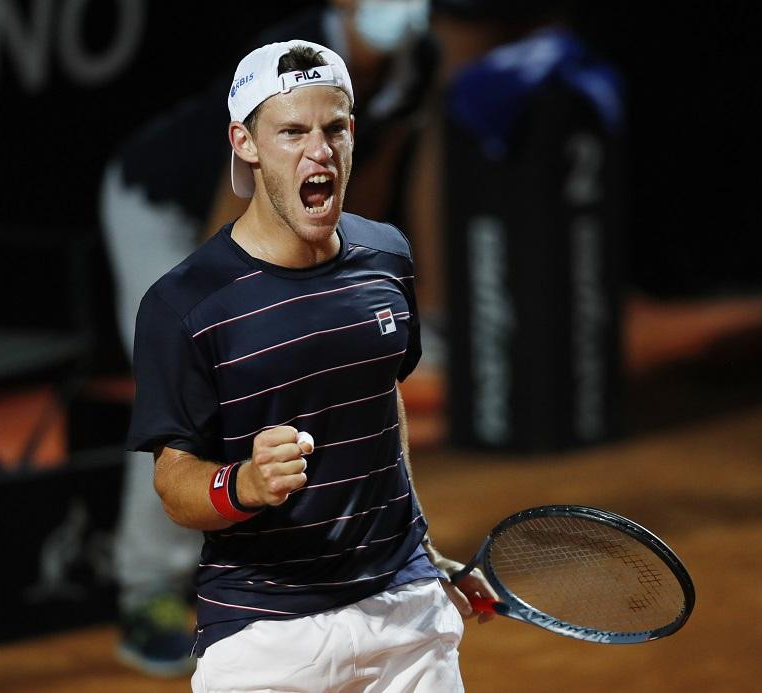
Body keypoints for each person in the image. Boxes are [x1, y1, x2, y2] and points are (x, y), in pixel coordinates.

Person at [127, 40, 496, 692]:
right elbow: (172, 481)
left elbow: (381, 399)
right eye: (291, 131)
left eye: (333, 129)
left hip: (404, 614)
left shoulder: (386, 256)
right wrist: (242, 483)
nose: (317, 150)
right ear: (245, 143)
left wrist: (423, 550)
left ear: (353, 133)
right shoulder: (184, 305)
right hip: (266, 632)